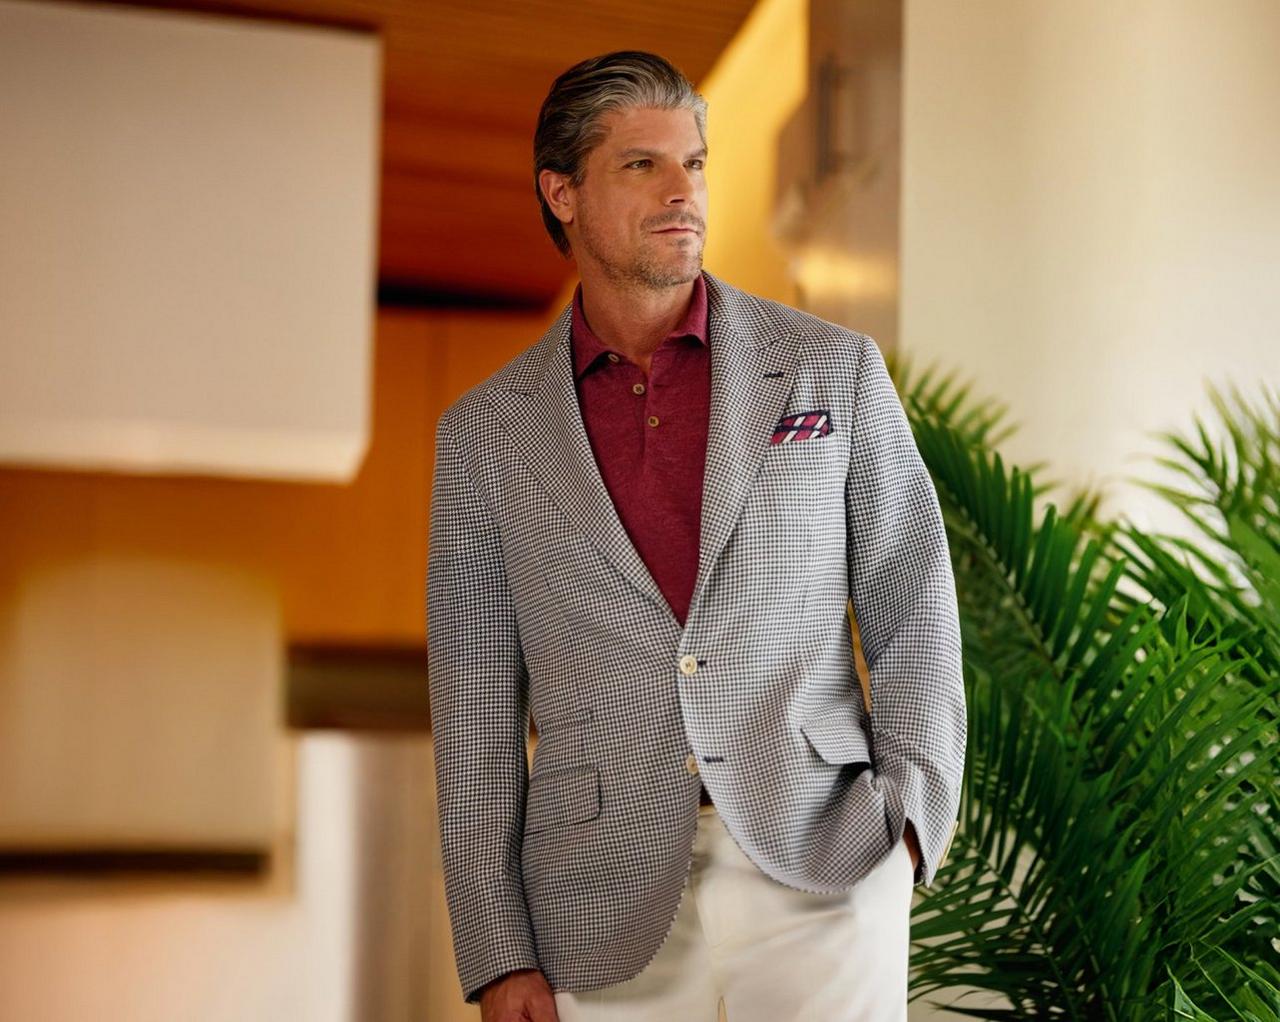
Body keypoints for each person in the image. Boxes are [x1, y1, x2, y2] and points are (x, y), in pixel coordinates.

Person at [427, 49, 965, 1022]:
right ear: (562, 192)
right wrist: (495, 947)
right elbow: (471, 707)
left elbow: (912, 592)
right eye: (641, 165)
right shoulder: (483, 433)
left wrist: (914, 816)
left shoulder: (828, 370)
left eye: (695, 162)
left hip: (823, 858)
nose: (684, 192)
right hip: (595, 888)